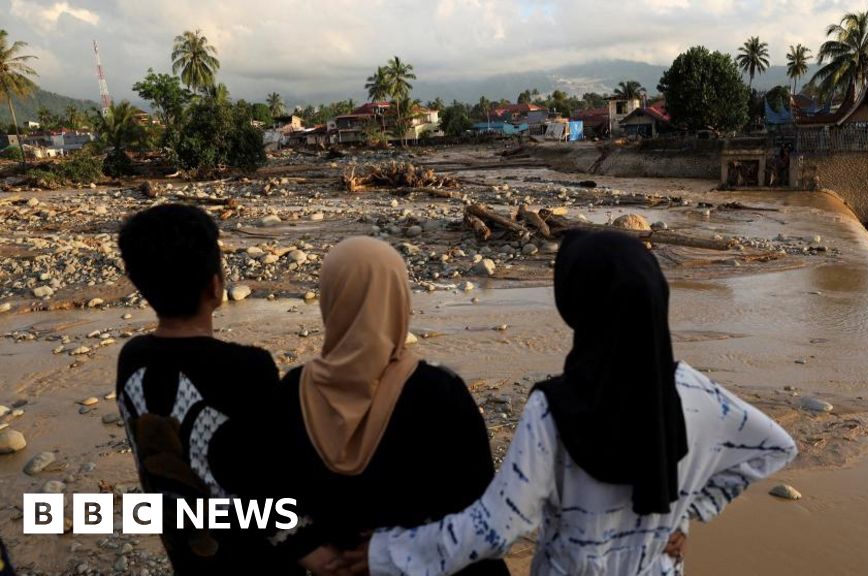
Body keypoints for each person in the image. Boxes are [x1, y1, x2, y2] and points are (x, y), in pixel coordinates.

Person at [355, 230, 798, 576]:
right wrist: (683, 517)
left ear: (576, 304)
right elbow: (774, 447)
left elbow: (496, 528)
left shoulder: (553, 410)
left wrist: (384, 554)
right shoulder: (698, 392)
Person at [248, 237, 509, 576]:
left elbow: (259, 495)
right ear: (399, 301)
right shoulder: (439, 395)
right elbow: (482, 518)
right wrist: (394, 551)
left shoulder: (292, 391)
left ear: (330, 301)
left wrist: (304, 547)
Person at [116, 204, 337, 575]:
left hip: (188, 555)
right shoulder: (248, 367)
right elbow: (270, 477)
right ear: (215, 285)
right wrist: (308, 547)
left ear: (141, 286)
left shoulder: (131, 360)